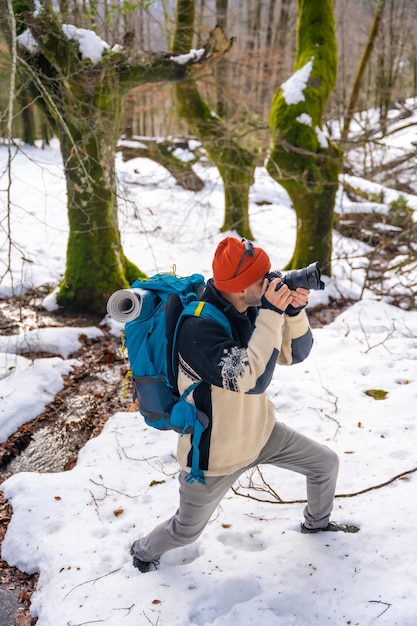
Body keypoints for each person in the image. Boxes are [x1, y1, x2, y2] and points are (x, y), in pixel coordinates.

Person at [131, 237, 359, 573]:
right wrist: (271, 313)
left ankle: (317, 526)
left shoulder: (246, 307)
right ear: (239, 288)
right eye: (262, 277)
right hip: (215, 456)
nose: (271, 281)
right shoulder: (197, 329)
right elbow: (250, 379)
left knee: (324, 464)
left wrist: (292, 311)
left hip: (261, 434)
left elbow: (294, 353)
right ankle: (142, 551)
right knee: (185, 531)